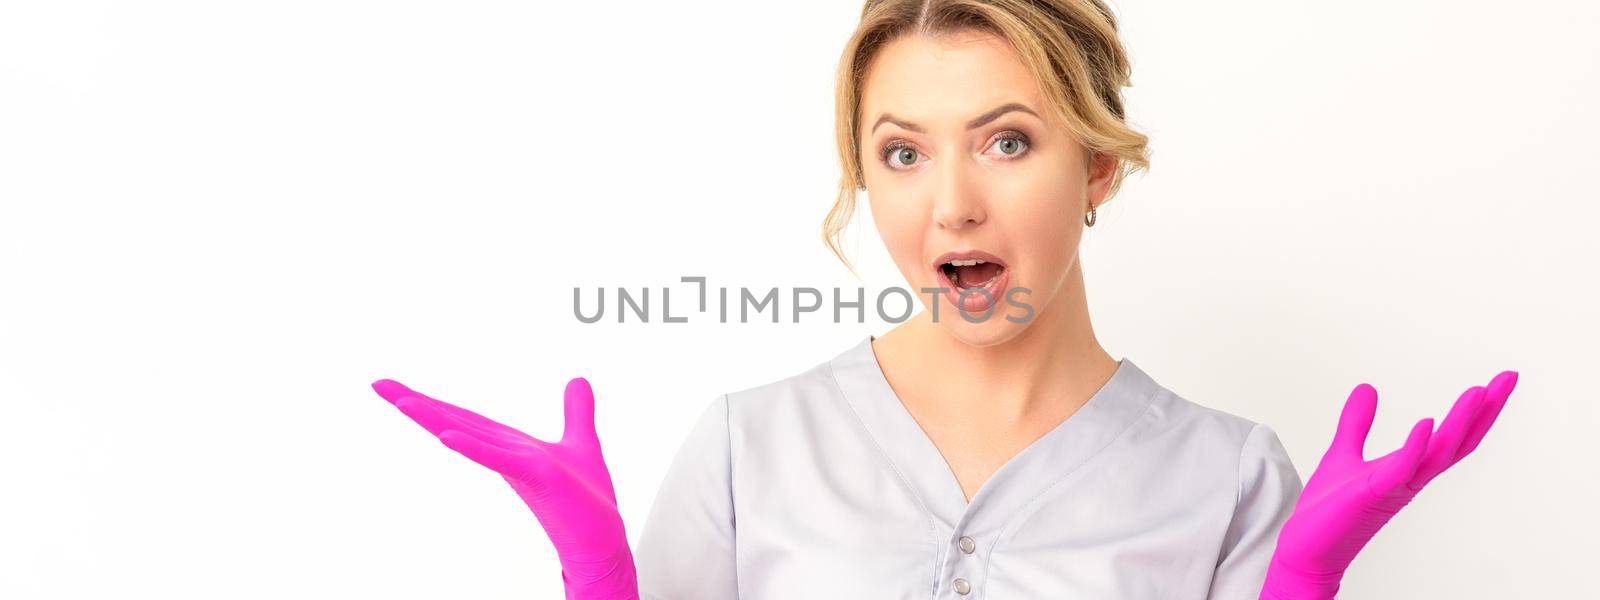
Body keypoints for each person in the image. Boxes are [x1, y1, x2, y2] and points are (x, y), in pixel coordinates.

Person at [369, 1, 1519, 598]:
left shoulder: (1226, 480)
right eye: (902, 152)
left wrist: (1301, 588)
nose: (952, 206)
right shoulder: (748, 449)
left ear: (1099, 165)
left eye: (1006, 141)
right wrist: (598, 584)